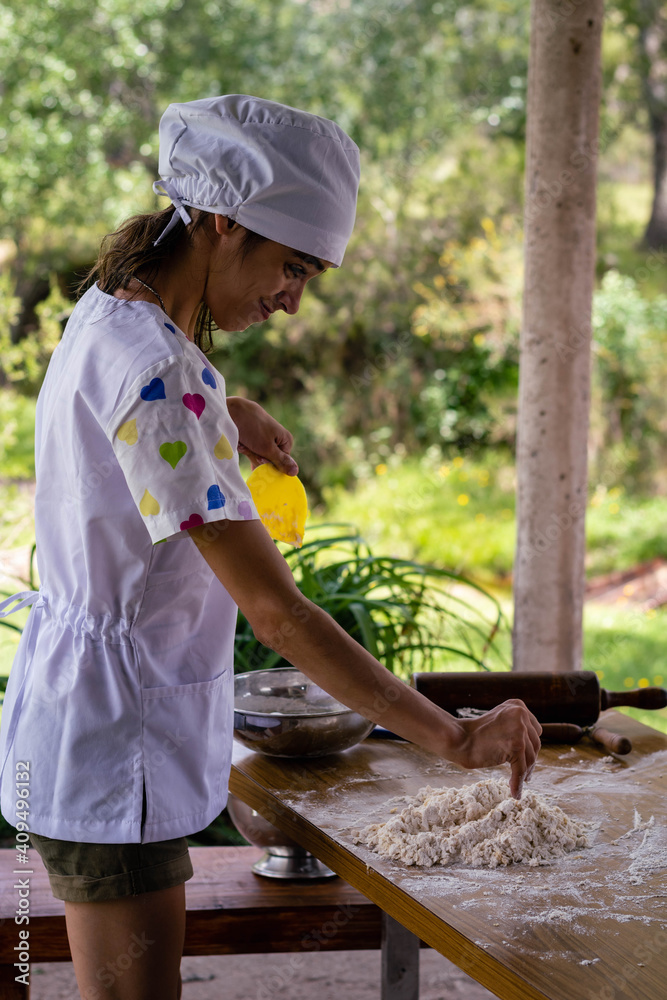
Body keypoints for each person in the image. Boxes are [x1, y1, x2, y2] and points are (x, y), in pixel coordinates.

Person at [0, 95, 541, 1000]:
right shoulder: (166, 377)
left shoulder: (114, 314)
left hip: (77, 722)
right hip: (112, 750)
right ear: (223, 222)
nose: (291, 302)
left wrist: (223, 413)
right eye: (290, 268)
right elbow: (279, 612)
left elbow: (121, 427)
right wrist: (451, 738)